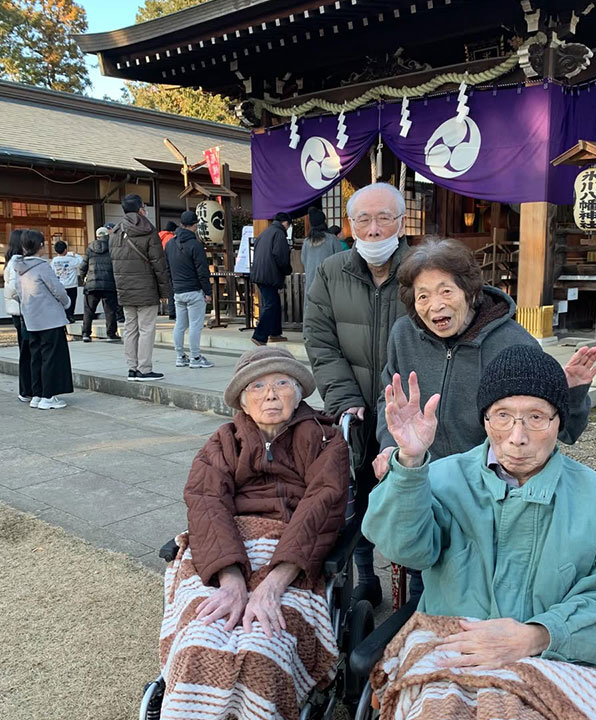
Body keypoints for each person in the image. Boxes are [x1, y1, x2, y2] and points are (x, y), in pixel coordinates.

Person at [363, 345, 596, 719]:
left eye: (536, 417)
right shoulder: (442, 479)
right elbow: (404, 550)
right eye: (503, 416)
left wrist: (538, 634)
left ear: (559, 422)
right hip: (452, 649)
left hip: (554, 660)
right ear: (485, 420)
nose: (517, 436)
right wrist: (409, 464)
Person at [373, 238, 596, 601]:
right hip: (425, 486)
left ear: (469, 291)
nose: (435, 305)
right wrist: (391, 448)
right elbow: (391, 402)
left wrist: (571, 393)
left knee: (484, 589)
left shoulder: (513, 343)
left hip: (487, 496)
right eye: (422, 296)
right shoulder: (404, 335)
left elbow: (565, 432)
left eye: (445, 291)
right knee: (426, 585)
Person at [159, 346, 349, 720]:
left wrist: (273, 585)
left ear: (298, 393)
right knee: (201, 635)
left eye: (282, 383)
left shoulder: (326, 440)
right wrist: (231, 580)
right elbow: (206, 502)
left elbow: (321, 506)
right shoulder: (223, 441)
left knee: (264, 643)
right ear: (243, 402)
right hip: (225, 548)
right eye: (257, 386)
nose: (271, 394)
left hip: (291, 551)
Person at [304, 181, 409, 608]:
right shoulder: (332, 272)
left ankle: (415, 587)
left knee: (412, 499)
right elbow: (319, 340)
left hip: (408, 410)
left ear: (401, 221)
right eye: (363, 219)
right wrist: (343, 397)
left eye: (384, 218)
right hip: (354, 408)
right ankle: (366, 577)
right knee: (357, 494)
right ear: (350, 224)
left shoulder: (422, 270)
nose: (374, 229)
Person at [109, 194, 171, 382]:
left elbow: (114, 263)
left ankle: (132, 368)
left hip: (124, 289)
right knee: (146, 329)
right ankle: (144, 369)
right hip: (146, 289)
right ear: (139, 209)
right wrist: (164, 292)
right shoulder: (147, 230)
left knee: (130, 329)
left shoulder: (115, 232)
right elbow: (158, 263)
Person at [14, 230, 73, 410]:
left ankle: (37, 394)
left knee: (36, 357)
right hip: (50, 318)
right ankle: (48, 396)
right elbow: (57, 289)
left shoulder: (19, 268)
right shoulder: (42, 266)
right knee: (51, 357)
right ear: (40, 246)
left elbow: (17, 292)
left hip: (31, 319)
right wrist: (66, 302)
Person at [164, 210, 214, 369]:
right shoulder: (195, 245)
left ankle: (180, 356)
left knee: (180, 325)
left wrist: (173, 288)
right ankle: (196, 357)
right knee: (195, 326)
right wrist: (208, 292)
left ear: (181, 224)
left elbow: (167, 269)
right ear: (195, 225)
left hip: (178, 291)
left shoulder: (170, 244)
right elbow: (202, 271)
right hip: (194, 291)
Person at [249, 211, 292, 345]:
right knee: (271, 305)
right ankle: (259, 335)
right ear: (285, 223)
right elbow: (280, 256)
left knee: (274, 304)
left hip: (260, 273)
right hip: (269, 275)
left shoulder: (265, 233)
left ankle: (275, 332)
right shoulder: (279, 234)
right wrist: (287, 270)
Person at [3, 229, 32, 402]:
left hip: (18, 311)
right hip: (22, 312)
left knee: (26, 350)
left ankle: (27, 389)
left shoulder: (12, 261)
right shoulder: (16, 262)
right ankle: (26, 390)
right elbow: (15, 289)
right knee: (27, 351)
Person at [79, 227, 121, 343]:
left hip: (92, 284)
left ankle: (86, 334)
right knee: (110, 310)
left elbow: (83, 266)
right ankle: (111, 334)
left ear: (97, 236)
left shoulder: (90, 248)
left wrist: (84, 278)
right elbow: (116, 266)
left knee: (89, 310)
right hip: (109, 283)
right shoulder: (112, 248)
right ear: (108, 236)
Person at [301, 207, 344, 310]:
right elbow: (340, 261)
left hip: (311, 283)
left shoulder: (306, 242)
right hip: (329, 283)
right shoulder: (332, 239)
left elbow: (303, 261)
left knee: (311, 312)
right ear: (324, 222)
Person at [50, 239, 83, 324]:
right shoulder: (71, 259)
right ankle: (70, 316)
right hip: (71, 285)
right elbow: (81, 260)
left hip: (60, 285)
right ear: (65, 250)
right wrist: (74, 254)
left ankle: (62, 317)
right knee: (72, 301)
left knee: (61, 302)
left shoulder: (54, 261)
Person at [159, 220, 178, 320]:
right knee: (173, 290)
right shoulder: (170, 238)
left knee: (168, 290)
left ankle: (169, 311)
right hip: (169, 265)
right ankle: (173, 312)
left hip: (159, 266)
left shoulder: (159, 236)